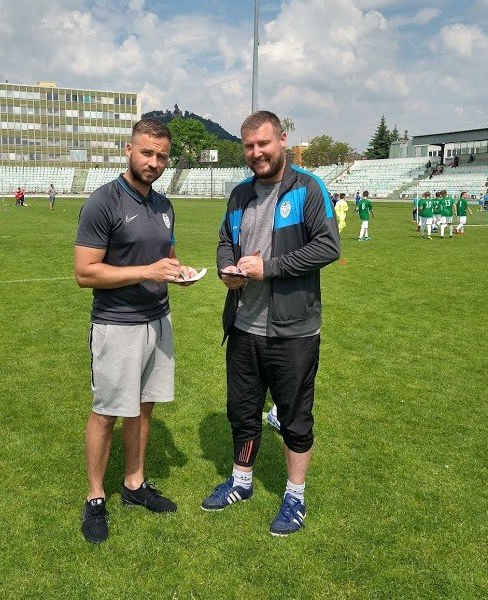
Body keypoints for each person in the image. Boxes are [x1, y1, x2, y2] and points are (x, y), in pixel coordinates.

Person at [202, 111, 340, 537]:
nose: (256, 152)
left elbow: (328, 247)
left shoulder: (307, 187)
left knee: (295, 417)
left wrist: (270, 268)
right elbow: (225, 241)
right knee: (243, 411)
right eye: (249, 146)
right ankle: (241, 481)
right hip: (244, 325)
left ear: (282, 139)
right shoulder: (240, 194)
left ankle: (294, 496)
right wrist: (226, 268)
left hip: (293, 329)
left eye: (263, 143)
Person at [74, 118, 197, 544]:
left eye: (162, 156)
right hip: (117, 325)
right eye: (147, 152)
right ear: (129, 150)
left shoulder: (164, 206)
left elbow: (168, 257)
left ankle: (134, 483)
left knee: (145, 407)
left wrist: (180, 272)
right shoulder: (103, 202)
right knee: (107, 411)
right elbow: (85, 273)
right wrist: (147, 271)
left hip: (158, 321)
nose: (154, 162)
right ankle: (95, 496)